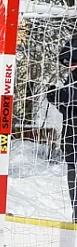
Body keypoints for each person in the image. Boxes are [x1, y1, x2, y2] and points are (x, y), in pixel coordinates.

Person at [46, 36, 77, 223]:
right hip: (72, 140)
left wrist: (58, 94)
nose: (70, 66)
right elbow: (69, 107)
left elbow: (72, 98)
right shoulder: (70, 77)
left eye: (74, 62)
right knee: (72, 176)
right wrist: (55, 97)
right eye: (69, 63)